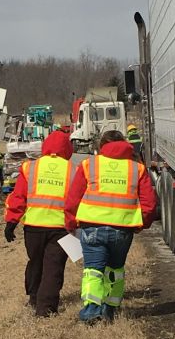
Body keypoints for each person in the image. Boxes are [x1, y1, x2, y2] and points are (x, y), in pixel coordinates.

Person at [65, 130, 156, 323]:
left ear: (102, 146)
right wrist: (142, 224)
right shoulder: (136, 169)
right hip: (123, 230)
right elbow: (149, 203)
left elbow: (73, 199)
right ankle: (109, 310)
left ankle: (91, 311)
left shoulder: (89, 165)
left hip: (92, 228)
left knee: (93, 270)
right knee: (115, 269)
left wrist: (71, 222)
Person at [4, 131, 74, 317]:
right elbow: (77, 201)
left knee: (35, 262)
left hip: (33, 228)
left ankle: (34, 297)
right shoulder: (73, 170)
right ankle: (46, 309)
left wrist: (11, 221)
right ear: (68, 148)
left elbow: (18, 197)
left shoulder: (30, 168)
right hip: (61, 229)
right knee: (53, 267)